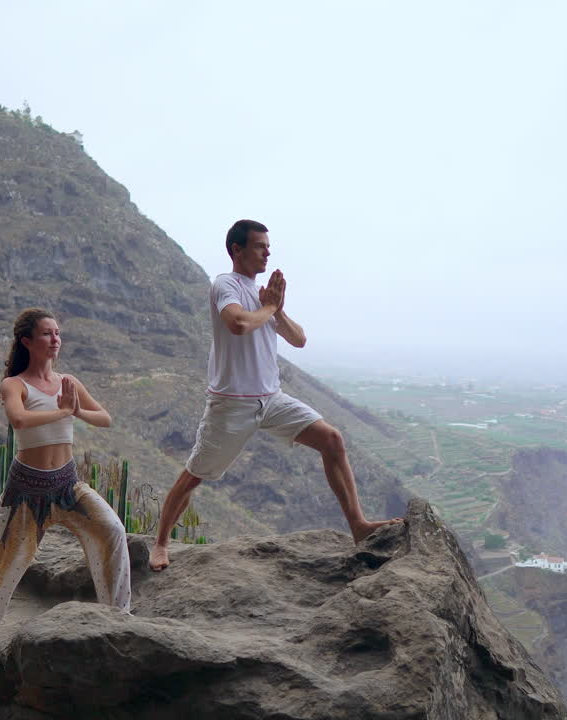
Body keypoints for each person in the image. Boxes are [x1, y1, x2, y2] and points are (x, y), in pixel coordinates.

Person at [149, 219, 401, 571]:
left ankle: (358, 525)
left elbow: (298, 339)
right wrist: (268, 308)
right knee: (194, 475)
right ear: (237, 250)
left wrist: (277, 310)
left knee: (332, 440)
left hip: (272, 399)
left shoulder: (264, 297)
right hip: (231, 404)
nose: (267, 252)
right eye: (259, 246)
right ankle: (160, 543)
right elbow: (237, 324)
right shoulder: (227, 284)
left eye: (269, 247)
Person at [0, 308, 130, 631]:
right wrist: (62, 411)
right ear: (27, 341)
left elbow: (105, 418)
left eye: (57, 333)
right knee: (3, 567)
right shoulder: (14, 385)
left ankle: (120, 617)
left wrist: (76, 410)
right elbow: (19, 419)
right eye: (46, 334)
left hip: (67, 484)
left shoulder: (68, 383)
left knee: (112, 531)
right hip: (27, 489)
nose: (55, 339)